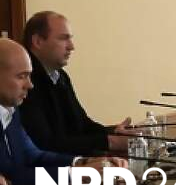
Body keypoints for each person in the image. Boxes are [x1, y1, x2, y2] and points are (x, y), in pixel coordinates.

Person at [0, 38, 123, 185]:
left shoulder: (10, 111)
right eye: (21, 76)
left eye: (29, 76)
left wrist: (83, 162)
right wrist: (76, 173)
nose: (30, 85)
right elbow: (14, 178)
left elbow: (34, 156)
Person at [18, 11, 134, 155]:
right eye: (63, 38)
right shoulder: (24, 82)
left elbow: (82, 125)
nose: (71, 46)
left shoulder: (60, 76)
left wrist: (114, 132)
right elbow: (46, 143)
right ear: (38, 41)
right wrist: (111, 142)